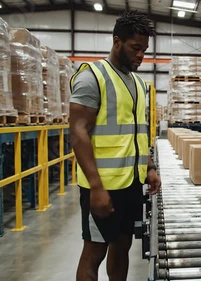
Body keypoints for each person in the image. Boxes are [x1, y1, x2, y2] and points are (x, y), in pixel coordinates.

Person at [69, 10, 161, 281]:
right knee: (94, 252)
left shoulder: (138, 83)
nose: (141, 55)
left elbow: (138, 133)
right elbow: (77, 132)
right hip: (102, 186)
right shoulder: (92, 76)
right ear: (117, 41)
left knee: (122, 247)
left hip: (131, 183)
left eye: (144, 49)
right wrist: (96, 187)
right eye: (136, 48)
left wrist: (149, 167)